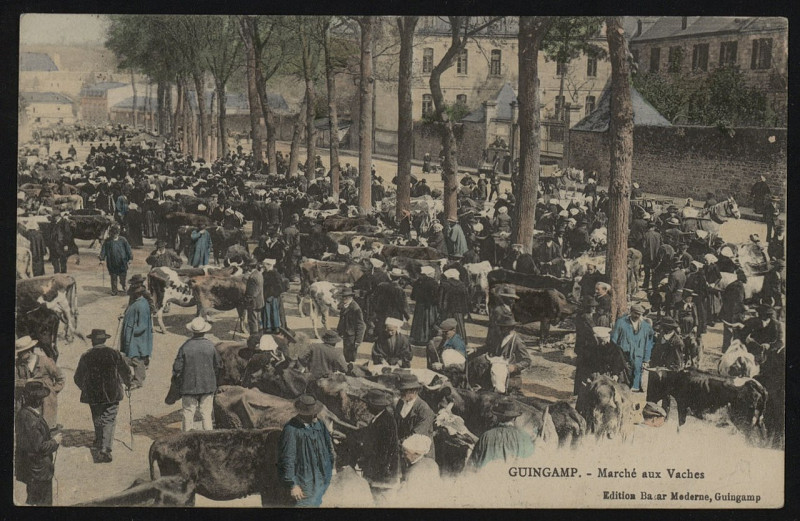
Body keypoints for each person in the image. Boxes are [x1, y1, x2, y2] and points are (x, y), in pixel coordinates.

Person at [73, 329, 132, 463]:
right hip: (112, 393)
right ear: (105, 340)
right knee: (109, 418)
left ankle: (99, 441)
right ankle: (105, 448)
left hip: (93, 395)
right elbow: (125, 371)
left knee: (97, 417)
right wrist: (128, 383)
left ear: (93, 341)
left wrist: (86, 388)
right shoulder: (114, 353)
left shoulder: (86, 356)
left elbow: (77, 377)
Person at [277, 394, 335, 507]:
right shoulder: (291, 430)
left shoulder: (319, 425)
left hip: (320, 478)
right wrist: (293, 485)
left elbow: (329, 447)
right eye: (313, 412)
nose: (316, 414)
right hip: (303, 481)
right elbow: (288, 458)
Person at [15, 381, 62, 505]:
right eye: (41, 398)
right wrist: (55, 441)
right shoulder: (32, 420)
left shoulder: (22, 413)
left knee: (33, 501)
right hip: (39, 470)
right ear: (37, 401)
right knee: (43, 503)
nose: (43, 401)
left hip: (29, 468)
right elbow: (40, 447)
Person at [173, 317, 222, 431]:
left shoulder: (185, 346)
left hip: (188, 386)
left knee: (188, 414)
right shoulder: (210, 346)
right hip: (208, 386)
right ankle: (209, 437)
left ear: (192, 331)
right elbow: (218, 365)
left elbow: (177, 368)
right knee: (206, 414)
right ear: (205, 331)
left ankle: (187, 437)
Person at [358, 390, 401, 504]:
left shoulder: (386, 421)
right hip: (379, 469)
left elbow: (384, 452)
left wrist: (367, 462)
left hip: (383, 473)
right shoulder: (379, 418)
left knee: (380, 501)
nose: (366, 406)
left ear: (375, 406)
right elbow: (369, 432)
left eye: (368, 404)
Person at [15, 336, 65, 430]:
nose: (19, 355)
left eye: (21, 353)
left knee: (46, 428)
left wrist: (53, 391)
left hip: (46, 403)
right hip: (27, 403)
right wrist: (25, 382)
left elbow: (60, 378)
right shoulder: (18, 364)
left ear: (29, 352)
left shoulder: (46, 361)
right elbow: (14, 381)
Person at [469, 399, 534, 469]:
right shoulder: (525, 437)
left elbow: (471, 466)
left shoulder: (486, 436)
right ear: (515, 418)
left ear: (498, 417)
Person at [473, 316, 531, 393]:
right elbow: (488, 347)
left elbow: (527, 360)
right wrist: (475, 349)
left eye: (502, 327)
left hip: (510, 378)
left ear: (509, 328)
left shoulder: (517, 342)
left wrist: (515, 367)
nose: (499, 329)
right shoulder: (500, 337)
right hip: (495, 372)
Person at [610, 303, 654, 392]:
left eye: (639, 314)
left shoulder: (646, 326)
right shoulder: (621, 323)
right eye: (635, 313)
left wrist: (646, 359)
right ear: (631, 312)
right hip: (624, 356)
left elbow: (649, 343)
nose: (637, 316)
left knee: (636, 379)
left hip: (638, 355)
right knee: (623, 380)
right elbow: (614, 340)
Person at [121, 276, 154, 389]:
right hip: (133, 335)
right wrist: (124, 315)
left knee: (136, 358)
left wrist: (131, 330)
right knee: (132, 355)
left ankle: (138, 380)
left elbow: (143, 326)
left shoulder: (142, 305)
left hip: (137, 336)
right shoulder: (135, 302)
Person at [394, 374, 436, 461]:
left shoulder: (424, 410)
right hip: (404, 451)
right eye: (400, 391)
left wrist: (396, 443)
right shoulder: (400, 403)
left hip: (420, 454)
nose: (401, 394)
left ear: (414, 391)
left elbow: (415, 435)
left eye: (404, 391)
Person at [397, 434, 439, 500]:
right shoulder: (432, 462)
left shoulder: (414, 471)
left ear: (416, 454)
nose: (402, 456)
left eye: (405, 454)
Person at [573, 296, 599, 396]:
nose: (594, 309)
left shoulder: (581, 316)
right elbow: (593, 332)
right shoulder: (586, 318)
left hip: (581, 348)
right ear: (588, 307)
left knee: (580, 371)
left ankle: (578, 391)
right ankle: (581, 392)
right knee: (584, 371)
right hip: (586, 348)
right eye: (592, 307)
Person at [410, 266, 439, 346]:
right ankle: (426, 338)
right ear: (430, 273)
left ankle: (417, 338)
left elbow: (413, 296)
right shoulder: (433, 283)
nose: (434, 274)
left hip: (419, 305)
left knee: (419, 322)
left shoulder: (418, 281)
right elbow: (436, 296)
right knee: (428, 322)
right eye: (433, 273)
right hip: (429, 306)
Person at [99, 224, 133, 295]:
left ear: (118, 233)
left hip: (122, 262)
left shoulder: (123, 240)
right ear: (111, 233)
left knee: (123, 276)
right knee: (113, 277)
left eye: (116, 233)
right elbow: (103, 250)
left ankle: (124, 286)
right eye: (113, 234)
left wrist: (130, 258)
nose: (114, 235)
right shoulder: (108, 241)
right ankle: (114, 290)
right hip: (112, 262)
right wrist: (102, 259)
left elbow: (128, 249)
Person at [438, 269, 470, 342]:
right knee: (459, 327)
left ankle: (446, 342)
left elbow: (441, 299)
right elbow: (466, 300)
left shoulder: (444, 285)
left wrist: (440, 310)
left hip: (447, 310)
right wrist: (466, 311)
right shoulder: (462, 285)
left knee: (447, 326)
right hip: (459, 311)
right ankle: (460, 341)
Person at [720, 269, 747, 351]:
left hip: (727, 311)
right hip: (734, 313)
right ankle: (733, 350)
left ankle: (725, 349)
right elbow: (738, 302)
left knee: (727, 332)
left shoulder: (732, 285)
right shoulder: (739, 287)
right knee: (736, 333)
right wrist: (745, 308)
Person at [337, 288, 366, 363]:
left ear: (351, 297)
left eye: (346, 297)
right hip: (346, 334)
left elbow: (361, 325)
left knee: (351, 356)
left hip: (352, 336)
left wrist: (358, 341)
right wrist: (339, 331)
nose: (344, 299)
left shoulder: (355, 308)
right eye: (343, 297)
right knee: (346, 353)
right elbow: (341, 320)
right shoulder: (344, 306)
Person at [243, 259, 265, 336]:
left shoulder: (252, 277)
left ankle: (254, 337)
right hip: (260, 302)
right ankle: (260, 335)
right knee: (259, 320)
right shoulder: (259, 274)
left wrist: (246, 300)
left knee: (253, 320)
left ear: (249, 267)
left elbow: (252, 293)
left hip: (253, 303)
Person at [641, 222, 662, 291]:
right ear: (654, 227)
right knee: (654, 271)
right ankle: (654, 286)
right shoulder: (658, 235)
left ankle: (646, 284)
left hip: (648, 255)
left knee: (647, 272)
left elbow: (643, 246)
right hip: (656, 255)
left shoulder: (645, 235)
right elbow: (661, 244)